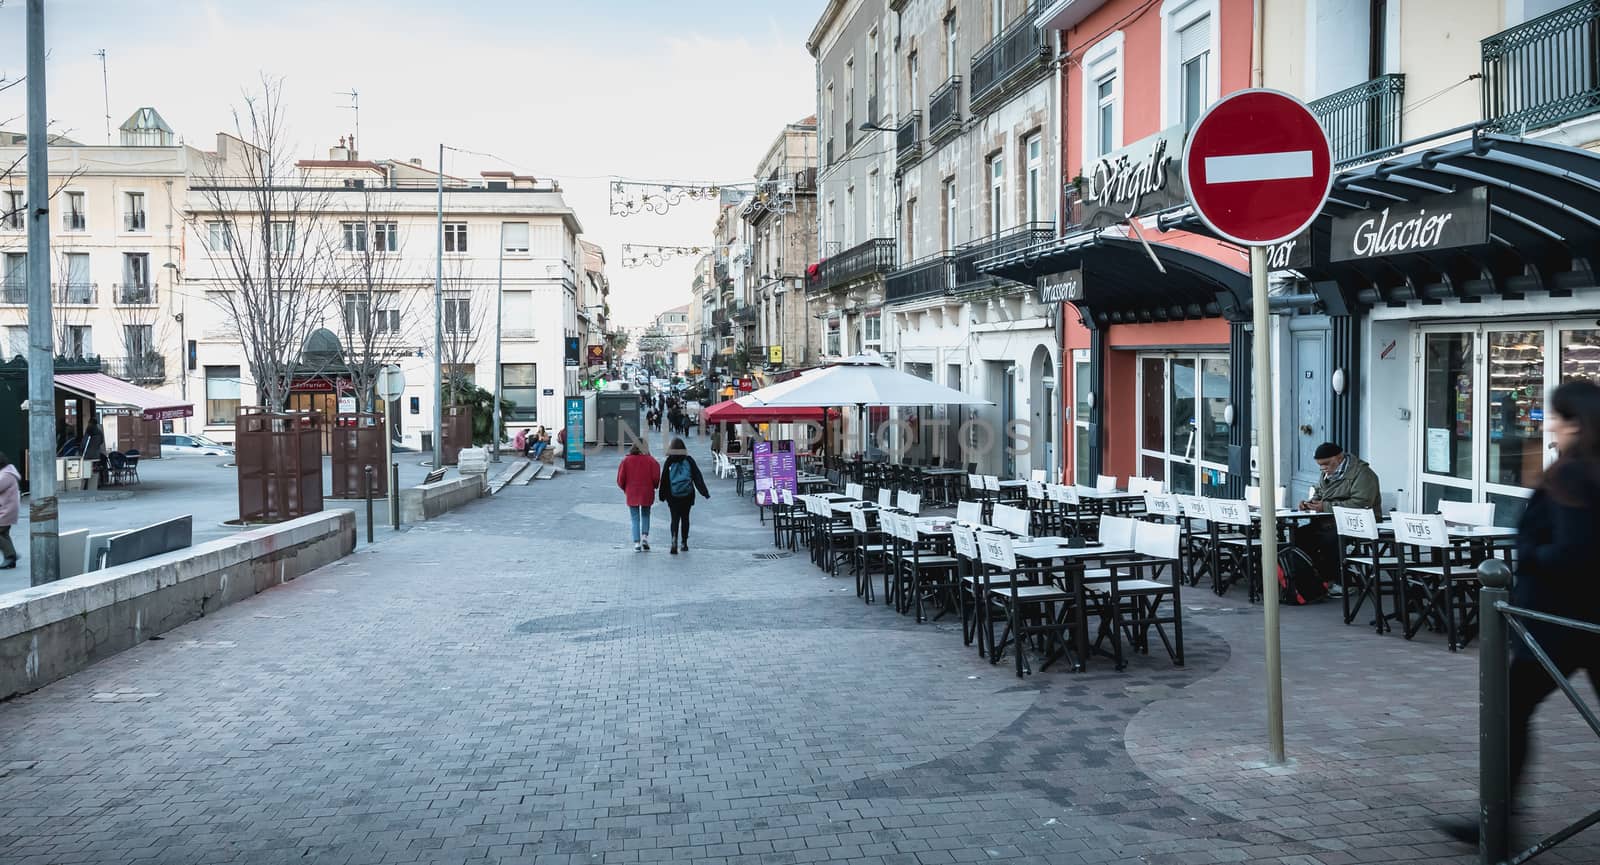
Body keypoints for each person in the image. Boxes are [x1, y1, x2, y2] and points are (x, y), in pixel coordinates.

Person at [1293, 442, 1381, 593]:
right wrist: (1310, 503)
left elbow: (1362, 504)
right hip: (1330, 522)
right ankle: (1314, 578)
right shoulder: (1327, 473)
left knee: (1329, 539)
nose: (1323, 468)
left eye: (1326, 463)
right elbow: (1320, 493)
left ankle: (1340, 581)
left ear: (1339, 458)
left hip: (1358, 523)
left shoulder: (1363, 474)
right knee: (1299, 535)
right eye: (1320, 465)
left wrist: (1325, 507)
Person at [658, 437, 710, 554]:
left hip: (672, 496)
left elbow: (664, 480)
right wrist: (704, 492)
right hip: (687, 495)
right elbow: (697, 477)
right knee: (685, 518)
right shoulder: (689, 460)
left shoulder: (669, 461)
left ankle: (674, 539)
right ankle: (684, 543)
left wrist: (662, 495)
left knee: (674, 518)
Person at [617, 441, 660, 552]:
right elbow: (656, 478)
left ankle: (636, 543)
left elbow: (620, 479)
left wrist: (625, 489)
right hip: (647, 491)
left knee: (635, 518)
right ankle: (644, 537)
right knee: (646, 515)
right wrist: (654, 486)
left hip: (632, 492)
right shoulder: (651, 461)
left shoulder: (626, 461)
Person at [0, 451, 17, 569]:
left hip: (6, 510)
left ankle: (10, 556)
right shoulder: (6, 472)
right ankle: (11, 556)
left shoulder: (6, 474)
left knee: (1, 532)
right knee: (4, 533)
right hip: (6, 509)